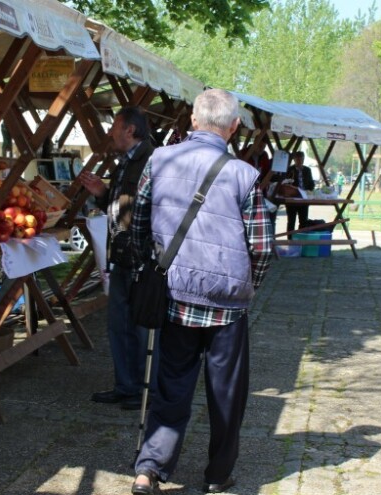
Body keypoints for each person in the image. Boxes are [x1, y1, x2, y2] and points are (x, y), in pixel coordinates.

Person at [129, 89, 273, 495]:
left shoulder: (159, 160)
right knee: (226, 393)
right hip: (227, 304)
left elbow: (138, 222)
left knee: (171, 382)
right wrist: (249, 286)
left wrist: (154, 268)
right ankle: (217, 474)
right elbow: (261, 246)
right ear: (234, 126)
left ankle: (149, 469)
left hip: (174, 296)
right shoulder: (244, 174)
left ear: (192, 121)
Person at [78, 106, 156, 411]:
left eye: (116, 127)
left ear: (131, 130)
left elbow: (152, 206)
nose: (111, 132)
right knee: (118, 325)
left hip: (141, 257)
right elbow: (120, 204)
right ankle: (125, 386)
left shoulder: (152, 160)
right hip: (121, 255)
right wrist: (101, 193)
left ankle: (143, 389)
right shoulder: (125, 161)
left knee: (140, 328)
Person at [283, 151, 315, 231]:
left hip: (304, 199)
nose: (300, 161)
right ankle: (290, 241)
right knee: (291, 221)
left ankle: (301, 239)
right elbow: (286, 182)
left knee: (303, 221)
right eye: (298, 159)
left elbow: (311, 183)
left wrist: (309, 191)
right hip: (292, 199)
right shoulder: (290, 170)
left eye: (302, 159)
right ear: (294, 159)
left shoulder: (307, 170)